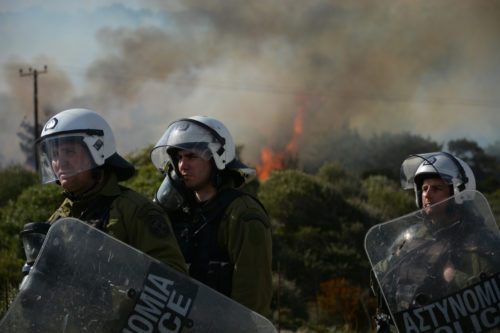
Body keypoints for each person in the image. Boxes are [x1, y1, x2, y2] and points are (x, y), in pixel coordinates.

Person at [35, 108, 187, 274]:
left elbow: (173, 277)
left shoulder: (135, 210)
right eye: (54, 154)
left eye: (69, 152)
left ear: (98, 151)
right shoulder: (60, 217)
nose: (59, 162)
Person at [150, 115, 273, 316]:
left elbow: (252, 294)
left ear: (217, 158)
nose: (182, 166)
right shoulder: (180, 212)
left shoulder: (242, 213)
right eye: (179, 157)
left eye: (191, 156)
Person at [371, 152, 500, 331]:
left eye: (436, 189)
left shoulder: (481, 240)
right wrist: (387, 267)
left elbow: (492, 300)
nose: (427, 195)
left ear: (459, 193)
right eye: (424, 189)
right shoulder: (413, 237)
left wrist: (453, 277)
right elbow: (381, 278)